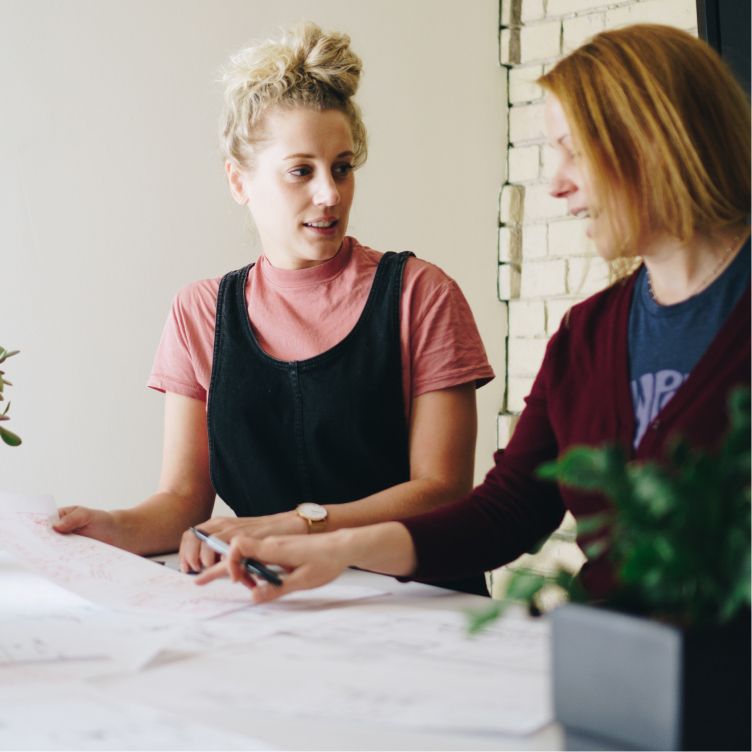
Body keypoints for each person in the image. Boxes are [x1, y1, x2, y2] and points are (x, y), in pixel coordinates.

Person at [194, 23, 751, 604]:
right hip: (613, 660)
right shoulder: (588, 334)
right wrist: (334, 549)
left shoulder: (421, 293)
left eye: (573, 151)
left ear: (654, 143)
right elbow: (504, 515)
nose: (556, 185)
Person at [53, 22, 495, 595]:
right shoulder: (200, 313)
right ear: (239, 181)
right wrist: (112, 526)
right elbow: (184, 501)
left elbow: (442, 490)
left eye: (342, 167)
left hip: (425, 609)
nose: (330, 195)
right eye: (300, 171)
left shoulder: (421, 294)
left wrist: (292, 527)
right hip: (275, 610)